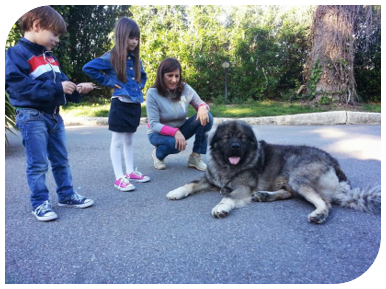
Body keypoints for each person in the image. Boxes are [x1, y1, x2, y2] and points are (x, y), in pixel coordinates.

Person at [5, 6, 94, 222]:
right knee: (38, 164)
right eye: (54, 34)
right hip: (31, 116)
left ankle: (66, 195)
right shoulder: (16, 54)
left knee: (61, 160)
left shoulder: (50, 59)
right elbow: (18, 87)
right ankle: (40, 203)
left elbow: (62, 86)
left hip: (54, 116)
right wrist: (57, 88)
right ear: (36, 25)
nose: (57, 40)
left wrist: (76, 89)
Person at [82, 17, 150, 192]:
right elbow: (88, 68)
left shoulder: (136, 59)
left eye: (136, 38)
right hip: (120, 103)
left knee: (129, 139)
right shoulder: (111, 57)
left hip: (134, 103)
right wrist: (110, 83)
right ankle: (119, 177)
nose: (134, 41)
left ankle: (130, 171)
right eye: (130, 37)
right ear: (122, 36)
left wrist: (139, 87)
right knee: (118, 141)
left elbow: (143, 75)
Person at [146, 58, 214, 171]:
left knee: (207, 117)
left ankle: (195, 157)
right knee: (174, 144)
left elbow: (200, 103)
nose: (174, 80)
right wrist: (175, 132)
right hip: (157, 134)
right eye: (170, 75)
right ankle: (157, 155)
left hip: (180, 130)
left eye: (177, 76)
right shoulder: (152, 93)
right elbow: (153, 124)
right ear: (161, 75)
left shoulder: (185, 88)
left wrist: (202, 107)